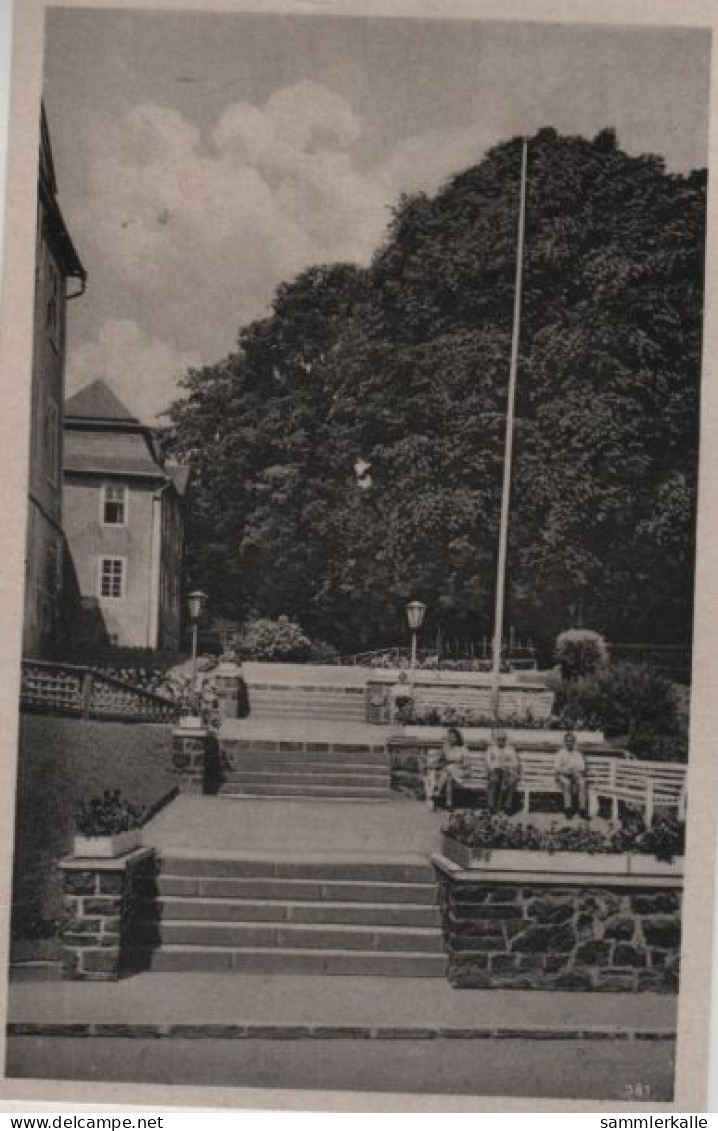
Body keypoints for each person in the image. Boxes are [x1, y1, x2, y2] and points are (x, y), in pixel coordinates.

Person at [425, 726, 467, 810]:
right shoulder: (446, 747)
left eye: (453, 737)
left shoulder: (463, 748)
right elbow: (440, 759)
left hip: (460, 770)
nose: (451, 739)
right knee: (449, 779)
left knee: (449, 769)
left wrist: (456, 764)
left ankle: (437, 791)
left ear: (457, 737)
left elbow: (466, 763)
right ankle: (449, 803)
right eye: (450, 737)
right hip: (449, 772)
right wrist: (433, 764)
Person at [486, 727, 521, 815]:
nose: (500, 741)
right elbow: (488, 763)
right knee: (494, 780)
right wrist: (497, 766)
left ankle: (507, 806)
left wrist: (507, 766)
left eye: (502, 739)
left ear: (505, 739)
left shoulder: (510, 749)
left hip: (508, 771)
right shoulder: (491, 749)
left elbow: (515, 763)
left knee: (511, 781)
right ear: (495, 739)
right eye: (498, 739)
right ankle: (492, 806)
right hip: (495, 770)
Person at [555, 731, 589, 818]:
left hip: (575, 775)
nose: (569, 743)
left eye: (571, 741)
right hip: (563, 776)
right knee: (567, 783)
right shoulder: (560, 753)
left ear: (574, 742)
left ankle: (582, 809)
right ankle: (568, 809)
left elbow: (582, 767)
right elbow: (557, 768)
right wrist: (565, 771)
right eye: (567, 741)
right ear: (564, 742)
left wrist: (575, 771)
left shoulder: (578, 754)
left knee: (582, 783)